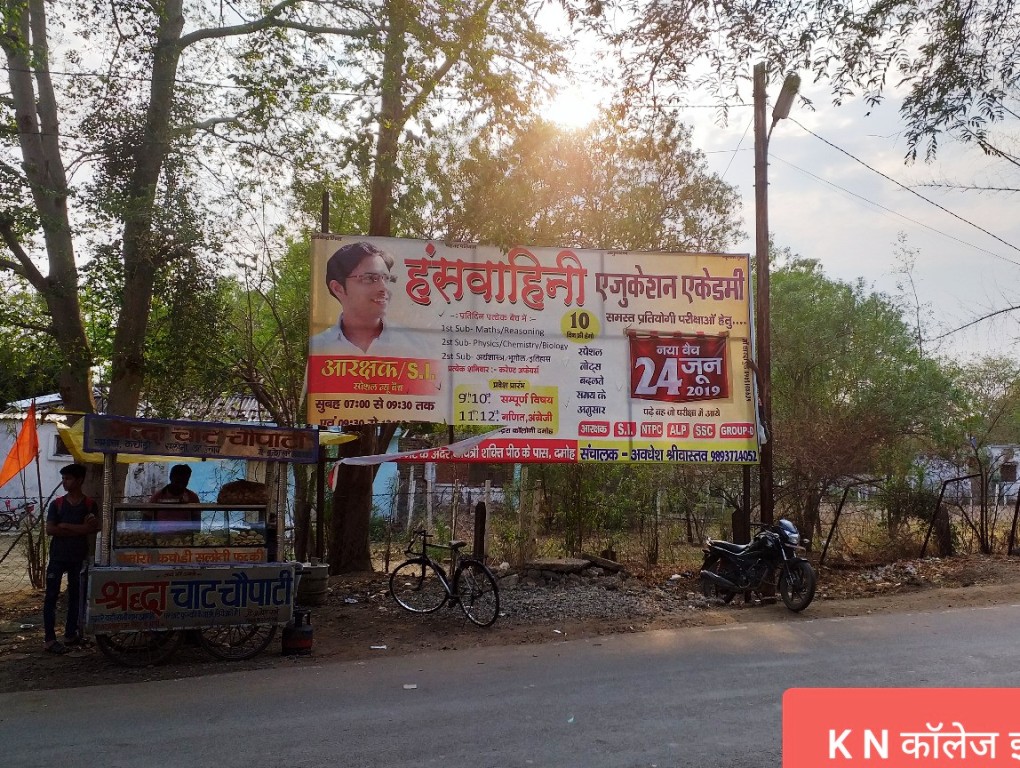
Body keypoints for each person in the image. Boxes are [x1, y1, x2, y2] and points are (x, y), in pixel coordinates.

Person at [309, 240, 430, 356]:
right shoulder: (319, 347)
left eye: (386, 278)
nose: (384, 288)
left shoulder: (416, 346)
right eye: (369, 278)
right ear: (338, 288)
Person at [43, 463, 99, 654]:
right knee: (51, 596)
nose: (64, 482)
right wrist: (79, 529)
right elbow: (50, 529)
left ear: (79, 480)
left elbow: (92, 528)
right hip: (58, 556)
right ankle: (49, 639)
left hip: (78, 556)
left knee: (77, 596)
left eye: (68, 478)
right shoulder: (57, 504)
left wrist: (65, 526)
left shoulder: (89, 504)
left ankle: (70, 634)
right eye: (63, 478)